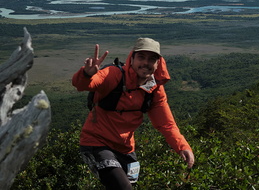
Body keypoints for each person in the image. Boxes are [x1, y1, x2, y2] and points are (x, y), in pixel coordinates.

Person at [72, 37, 194, 190]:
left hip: (126, 149)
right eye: (141, 57)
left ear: (158, 63)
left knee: (130, 186)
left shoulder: (154, 89)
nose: (146, 63)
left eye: (152, 59)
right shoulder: (113, 74)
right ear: (132, 58)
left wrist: (183, 147)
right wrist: (86, 74)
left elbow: (166, 124)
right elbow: (83, 85)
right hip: (97, 143)